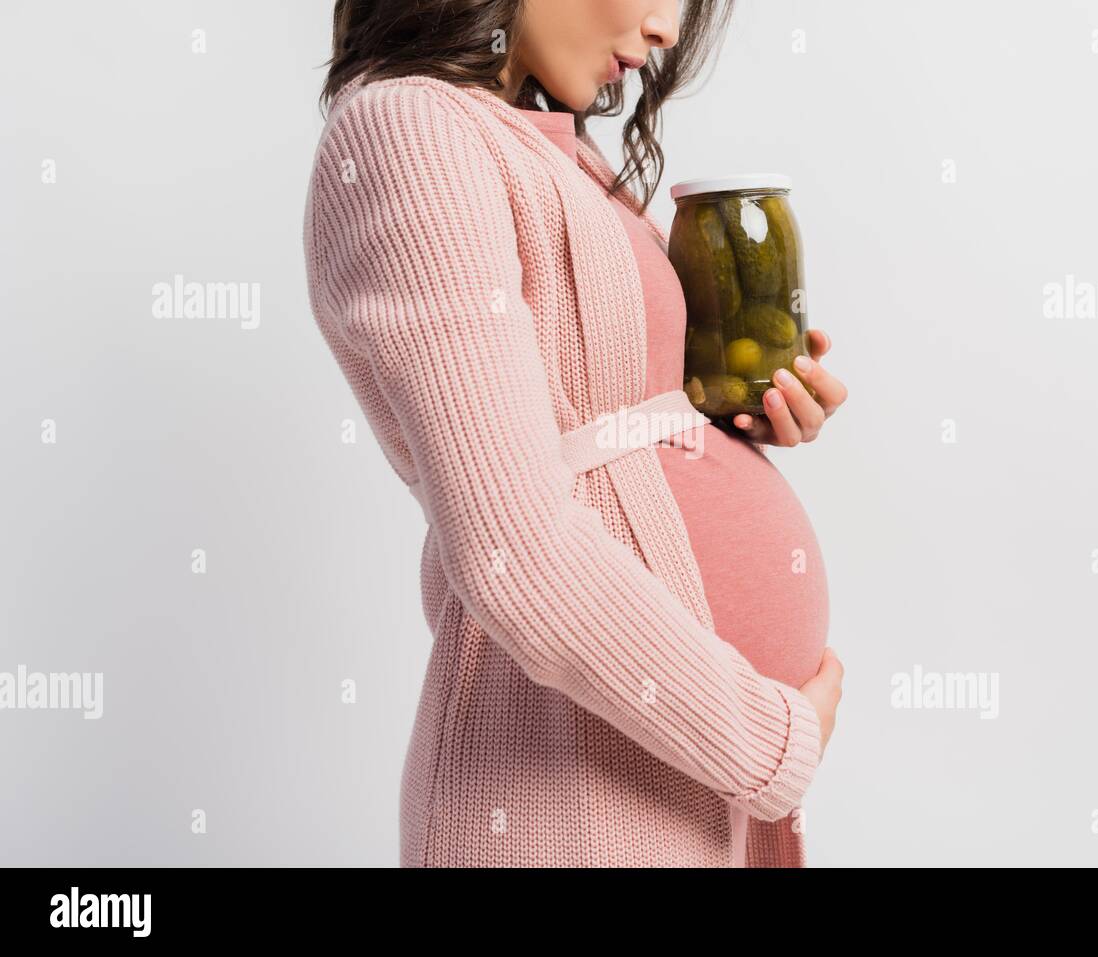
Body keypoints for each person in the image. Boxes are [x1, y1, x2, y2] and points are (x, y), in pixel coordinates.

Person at [303, 0, 847, 867]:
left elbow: (591, 420)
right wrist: (767, 741)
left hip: (670, 776)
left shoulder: (549, 144)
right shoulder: (408, 128)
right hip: (564, 794)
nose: (669, 30)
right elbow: (510, 548)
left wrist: (725, 419)